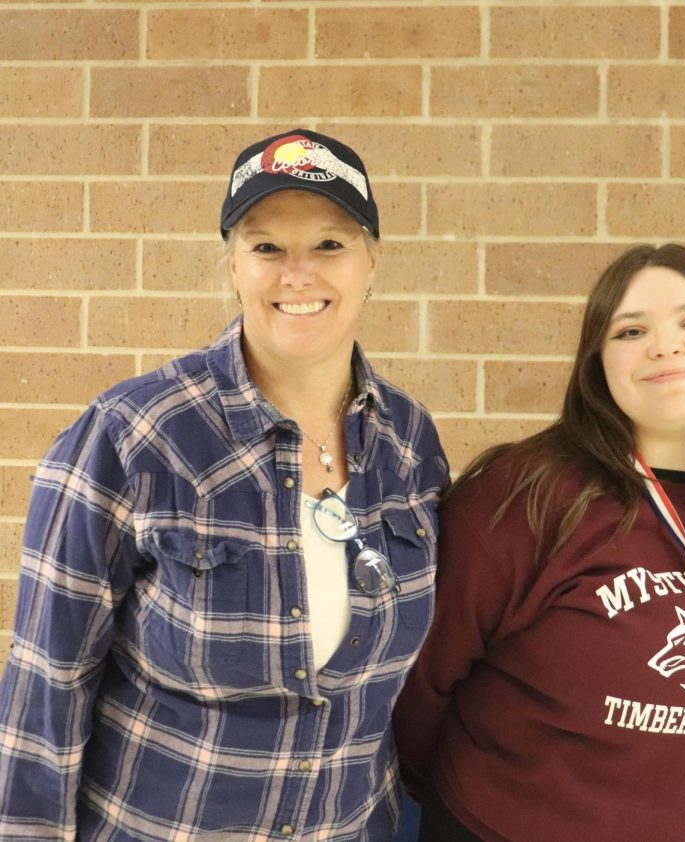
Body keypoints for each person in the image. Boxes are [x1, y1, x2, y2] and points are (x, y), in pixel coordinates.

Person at [0, 129, 448, 839]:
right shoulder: (132, 434)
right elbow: (45, 687)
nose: (298, 273)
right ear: (233, 266)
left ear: (371, 262)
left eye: (330, 245)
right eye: (267, 247)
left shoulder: (409, 441)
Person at [393, 244, 685, 841]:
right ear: (596, 363)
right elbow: (419, 685)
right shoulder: (524, 496)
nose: (666, 345)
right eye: (631, 330)